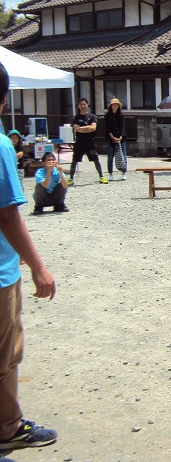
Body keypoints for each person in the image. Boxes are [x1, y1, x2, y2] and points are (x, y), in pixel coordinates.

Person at [0, 60, 59, 451]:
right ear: (4, 99)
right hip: (0, 274)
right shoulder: (2, 144)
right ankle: (8, 426)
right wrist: (38, 267)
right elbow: (7, 214)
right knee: (5, 355)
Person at [68, 97, 107, 185]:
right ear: (78, 106)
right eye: (81, 104)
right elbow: (76, 129)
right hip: (79, 142)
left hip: (90, 142)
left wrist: (82, 128)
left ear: (87, 105)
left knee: (95, 160)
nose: (83, 106)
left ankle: (101, 176)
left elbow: (93, 128)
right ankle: (71, 178)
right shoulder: (76, 117)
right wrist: (87, 128)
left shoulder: (92, 116)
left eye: (84, 104)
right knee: (74, 160)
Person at [104, 97, 127, 180]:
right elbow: (107, 128)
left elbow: (123, 127)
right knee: (110, 156)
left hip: (121, 138)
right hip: (110, 138)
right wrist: (112, 137)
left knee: (123, 156)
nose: (115, 105)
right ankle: (110, 173)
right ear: (111, 106)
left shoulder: (121, 115)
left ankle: (124, 172)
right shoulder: (107, 116)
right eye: (114, 104)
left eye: (116, 104)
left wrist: (121, 136)